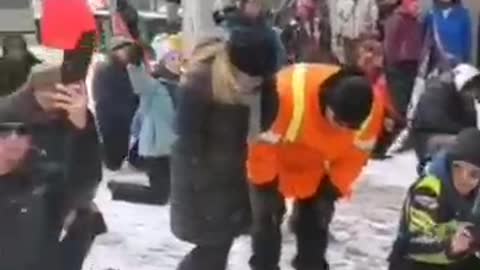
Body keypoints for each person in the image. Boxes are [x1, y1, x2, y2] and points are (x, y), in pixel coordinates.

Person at [247, 63, 386, 270]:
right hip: (272, 160)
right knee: (266, 219)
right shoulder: (284, 94)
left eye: (352, 126)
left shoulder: (372, 110)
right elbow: (260, 146)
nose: (344, 129)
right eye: (339, 121)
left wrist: (332, 187)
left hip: (317, 168)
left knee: (315, 223)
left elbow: (356, 156)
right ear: (327, 100)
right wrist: (265, 184)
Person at [170, 25, 277, 270]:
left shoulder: (260, 84)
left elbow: (264, 123)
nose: (253, 83)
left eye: (260, 78)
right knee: (211, 251)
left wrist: (265, 94)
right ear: (232, 66)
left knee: (219, 249)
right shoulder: (200, 82)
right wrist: (201, 189)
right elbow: (186, 142)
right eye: (249, 77)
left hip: (233, 179)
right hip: (202, 184)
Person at [0, 76, 104, 270]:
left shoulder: (43, 184)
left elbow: (82, 186)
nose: (13, 139)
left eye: (22, 134)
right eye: (5, 134)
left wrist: (81, 125)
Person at [389, 128, 480, 270]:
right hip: (414, 261)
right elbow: (414, 242)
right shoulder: (429, 189)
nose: (464, 178)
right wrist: (450, 245)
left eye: (474, 174)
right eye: (458, 168)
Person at [411, 63, 479, 163]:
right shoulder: (437, 90)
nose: (473, 94)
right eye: (471, 88)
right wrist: (467, 134)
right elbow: (434, 121)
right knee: (469, 145)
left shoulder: (462, 97)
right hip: (428, 139)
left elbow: (471, 124)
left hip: (446, 136)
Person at [93, 36, 139, 171]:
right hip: (111, 116)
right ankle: (112, 165)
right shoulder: (105, 68)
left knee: (122, 142)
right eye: (124, 49)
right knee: (113, 144)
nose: (127, 53)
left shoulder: (128, 67)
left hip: (123, 114)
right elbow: (104, 96)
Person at [384, 0, 423, 117]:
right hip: (399, 65)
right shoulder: (396, 19)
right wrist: (390, 62)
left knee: (410, 99)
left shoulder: (416, 21)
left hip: (412, 64)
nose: (417, 7)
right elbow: (389, 44)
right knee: (401, 101)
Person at [424, 0, 472, 66]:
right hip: (436, 65)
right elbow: (425, 42)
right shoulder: (430, 14)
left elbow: (467, 42)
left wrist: (465, 63)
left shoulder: (463, 14)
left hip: (457, 65)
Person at [333, 0, 379, 64]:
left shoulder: (369, 2)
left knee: (363, 65)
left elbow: (374, 21)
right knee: (349, 65)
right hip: (347, 40)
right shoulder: (341, 2)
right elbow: (338, 24)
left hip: (363, 40)